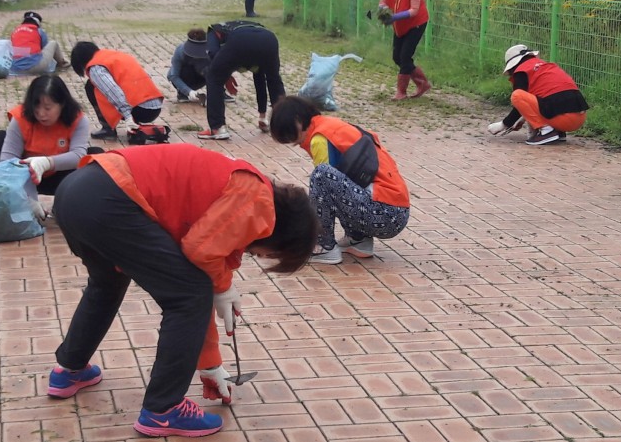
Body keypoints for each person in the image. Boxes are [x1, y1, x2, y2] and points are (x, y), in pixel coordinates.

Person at [48, 144, 317, 437]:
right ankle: (163, 410)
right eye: (271, 255)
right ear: (281, 237)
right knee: (189, 295)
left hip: (76, 193)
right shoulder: (256, 199)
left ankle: (69, 371)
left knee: (108, 283)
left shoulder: (246, 188)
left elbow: (199, 268)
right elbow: (199, 257)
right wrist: (222, 287)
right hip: (111, 199)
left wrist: (210, 365)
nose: (262, 257)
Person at [269, 95, 410, 264]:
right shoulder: (331, 125)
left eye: (291, 136)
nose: (295, 144)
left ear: (298, 122)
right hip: (395, 212)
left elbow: (326, 191)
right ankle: (358, 240)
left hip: (385, 215)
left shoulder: (319, 138)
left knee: (321, 177)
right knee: (338, 182)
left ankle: (323, 247)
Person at [0, 74, 90, 199]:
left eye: (47, 108)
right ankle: (10, 199)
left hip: (61, 177)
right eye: (36, 107)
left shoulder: (77, 120)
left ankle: (65, 203)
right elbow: (7, 161)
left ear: (62, 104)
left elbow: (78, 155)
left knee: (95, 158)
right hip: (25, 176)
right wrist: (28, 197)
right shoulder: (20, 117)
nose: (41, 114)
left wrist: (47, 163)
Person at [196, 20, 285, 141]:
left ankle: (218, 128)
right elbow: (259, 75)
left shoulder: (213, 30)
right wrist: (262, 115)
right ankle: (284, 126)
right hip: (269, 38)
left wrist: (224, 75)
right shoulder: (253, 28)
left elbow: (214, 55)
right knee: (274, 79)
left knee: (213, 77)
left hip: (240, 40)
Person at [488, 44, 589, 145]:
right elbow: (540, 100)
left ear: (513, 65)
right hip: (579, 118)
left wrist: (504, 124)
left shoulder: (521, 71)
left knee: (517, 95)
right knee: (548, 98)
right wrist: (523, 118)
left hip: (562, 118)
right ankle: (558, 132)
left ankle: (547, 131)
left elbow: (520, 101)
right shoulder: (546, 66)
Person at [70, 41, 164, 140]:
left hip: (141, 110)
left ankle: (108, 130)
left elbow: (113, 91)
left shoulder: (95, 68)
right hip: (155, 106)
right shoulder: (116, 56)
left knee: (91, 87)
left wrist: (128, 118)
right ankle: (133, 126)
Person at [378, 0, 431, 100]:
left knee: (405, 56)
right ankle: (423, 83)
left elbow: (414, 10)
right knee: (397, 57)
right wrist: (383, 11)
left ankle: (401, 92)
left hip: (416, 23)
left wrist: (394, 17)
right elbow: (383, 1)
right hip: (400, 24)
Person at [167, 28, 237, 105]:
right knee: (186, 70)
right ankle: (182, 93)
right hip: (187, 78)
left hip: (203, 76)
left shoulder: (212, 50)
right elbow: (173, 76)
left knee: (213, 68)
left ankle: (219, 93)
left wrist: (226, 76)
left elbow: (221, 67)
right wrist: (188, 91)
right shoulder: (180, 51)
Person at [9, 11, 69, 75]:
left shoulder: (15, 31)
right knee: (53, 43)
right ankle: (62, 63)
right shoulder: (39, 31)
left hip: (15, 69)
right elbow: (43, 49)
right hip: (35, 67)